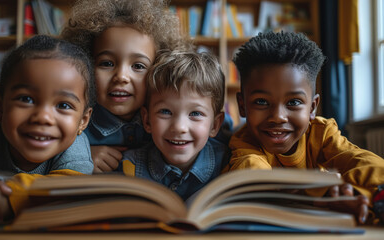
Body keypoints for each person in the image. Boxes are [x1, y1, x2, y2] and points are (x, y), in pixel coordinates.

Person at [226, 31, 384, 224]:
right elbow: (256, 178)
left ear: (312, 107)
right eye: (261, 101)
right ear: (242, 106)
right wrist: (322, 196)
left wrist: (353, 194)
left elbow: (363, 163)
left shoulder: (322, 133)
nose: (278, 117)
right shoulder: (244, 141)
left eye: (293, 102)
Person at [0, 35, 96, 224]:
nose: (43, 117)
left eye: (63, 105)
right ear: (0, 107)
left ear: (83, 121)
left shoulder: (75, 149)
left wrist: (5, 194)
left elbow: (65, 190)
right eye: (26, 99)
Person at [61, 0, 212, 173]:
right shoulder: (73, 118)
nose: (121, 77)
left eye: (138, 66)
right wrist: (82, 156)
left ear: (159, 69)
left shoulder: (171, 119)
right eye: (107, 63)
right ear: (85, 64)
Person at [116, 50, 230, 201]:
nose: (179, 127)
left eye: (195, 114)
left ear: (214, 125)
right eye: (165, 111)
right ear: (147, 120)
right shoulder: (129, 167)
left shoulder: (229, 163)